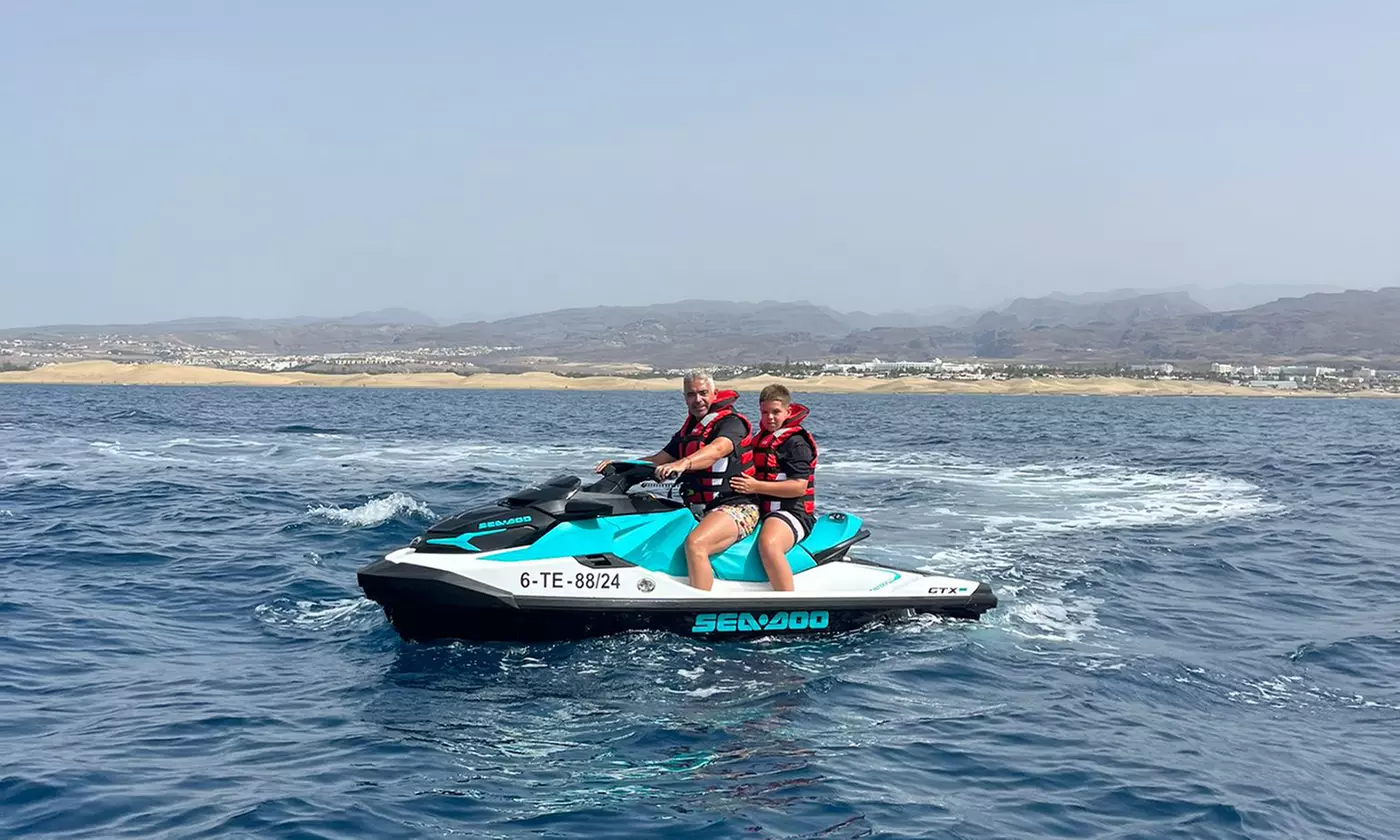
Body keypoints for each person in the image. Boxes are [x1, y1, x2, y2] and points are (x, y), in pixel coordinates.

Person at [594, 370, 757, 590]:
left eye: (703, 393)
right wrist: (620, 466)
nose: (697, 399)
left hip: (737, 507)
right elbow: (658, 459)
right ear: (685, 398)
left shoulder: (732, 423)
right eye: (691, 394)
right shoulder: (690, 429)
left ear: (714, 393)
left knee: (696, 544)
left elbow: (718, 449)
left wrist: (683, 463)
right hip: (697, 507)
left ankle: (700, 606)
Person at [729, 384, 816, 592]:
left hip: (793, 512)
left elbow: (799, 487)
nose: (770, 418)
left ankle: (787, 603)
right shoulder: (760, 439)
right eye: (765, 412)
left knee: (769, 544)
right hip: (763, 510)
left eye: (776, 412)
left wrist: (755, 486)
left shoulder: (796, 443)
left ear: (788, 411)